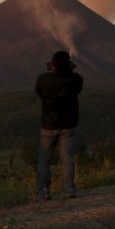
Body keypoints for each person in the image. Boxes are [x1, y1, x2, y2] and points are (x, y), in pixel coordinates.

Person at [35, 50, 83, 201]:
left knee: (44, 159)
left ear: (53, 65)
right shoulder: (76, 79)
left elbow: (39, 92)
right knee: (67, 157)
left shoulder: (43, 79)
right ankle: (69, 189)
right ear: (68, 65)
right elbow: (74, 83)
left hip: (48, 125)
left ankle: (43, 191)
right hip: (68, 125)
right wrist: (69, 70)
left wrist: (53, 71)